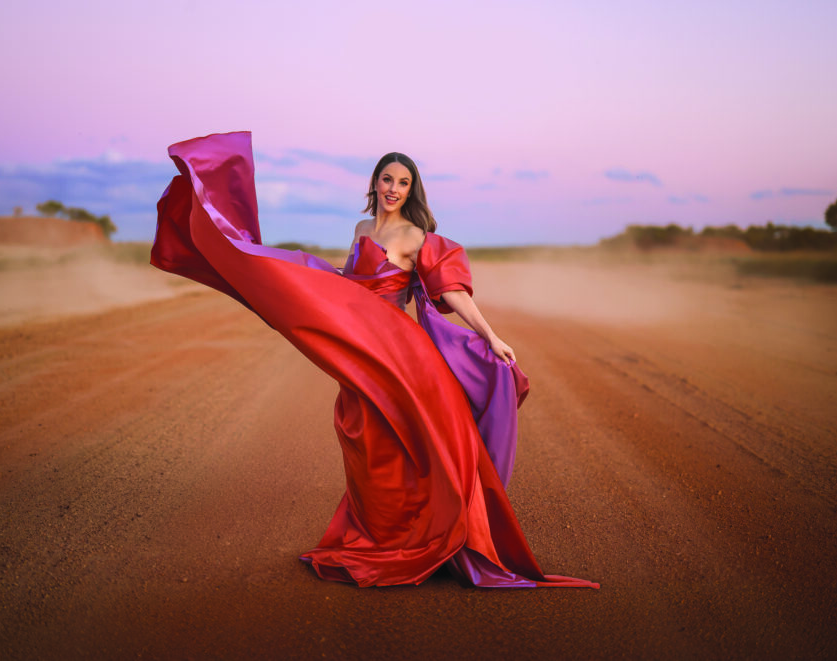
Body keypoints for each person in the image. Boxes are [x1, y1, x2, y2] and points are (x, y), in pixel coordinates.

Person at [151, 131, 598, 589]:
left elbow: (452, 292)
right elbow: (348, 284)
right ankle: (384, 536)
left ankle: (424, 537)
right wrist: (289, 286)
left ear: (411, 190)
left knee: (400, 440)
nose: (393, 188)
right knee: (363, 435)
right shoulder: (362, 230)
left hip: (398, 351)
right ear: (376, 182)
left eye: (403, 183)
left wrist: (491, 335)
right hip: (360, 346)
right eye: (387, 179)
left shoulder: (415, 236)